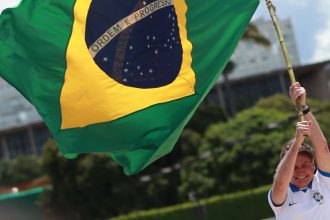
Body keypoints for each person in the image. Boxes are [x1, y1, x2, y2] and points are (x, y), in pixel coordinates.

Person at [268, 82, 330, 220]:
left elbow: (323, 148)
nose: (300, 171)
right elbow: (280, 184)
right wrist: (297, 142)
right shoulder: (282, 194)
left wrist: (303, 107)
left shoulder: (324, 183)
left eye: (305, 165)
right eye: (294, 167)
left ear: (314, 166)